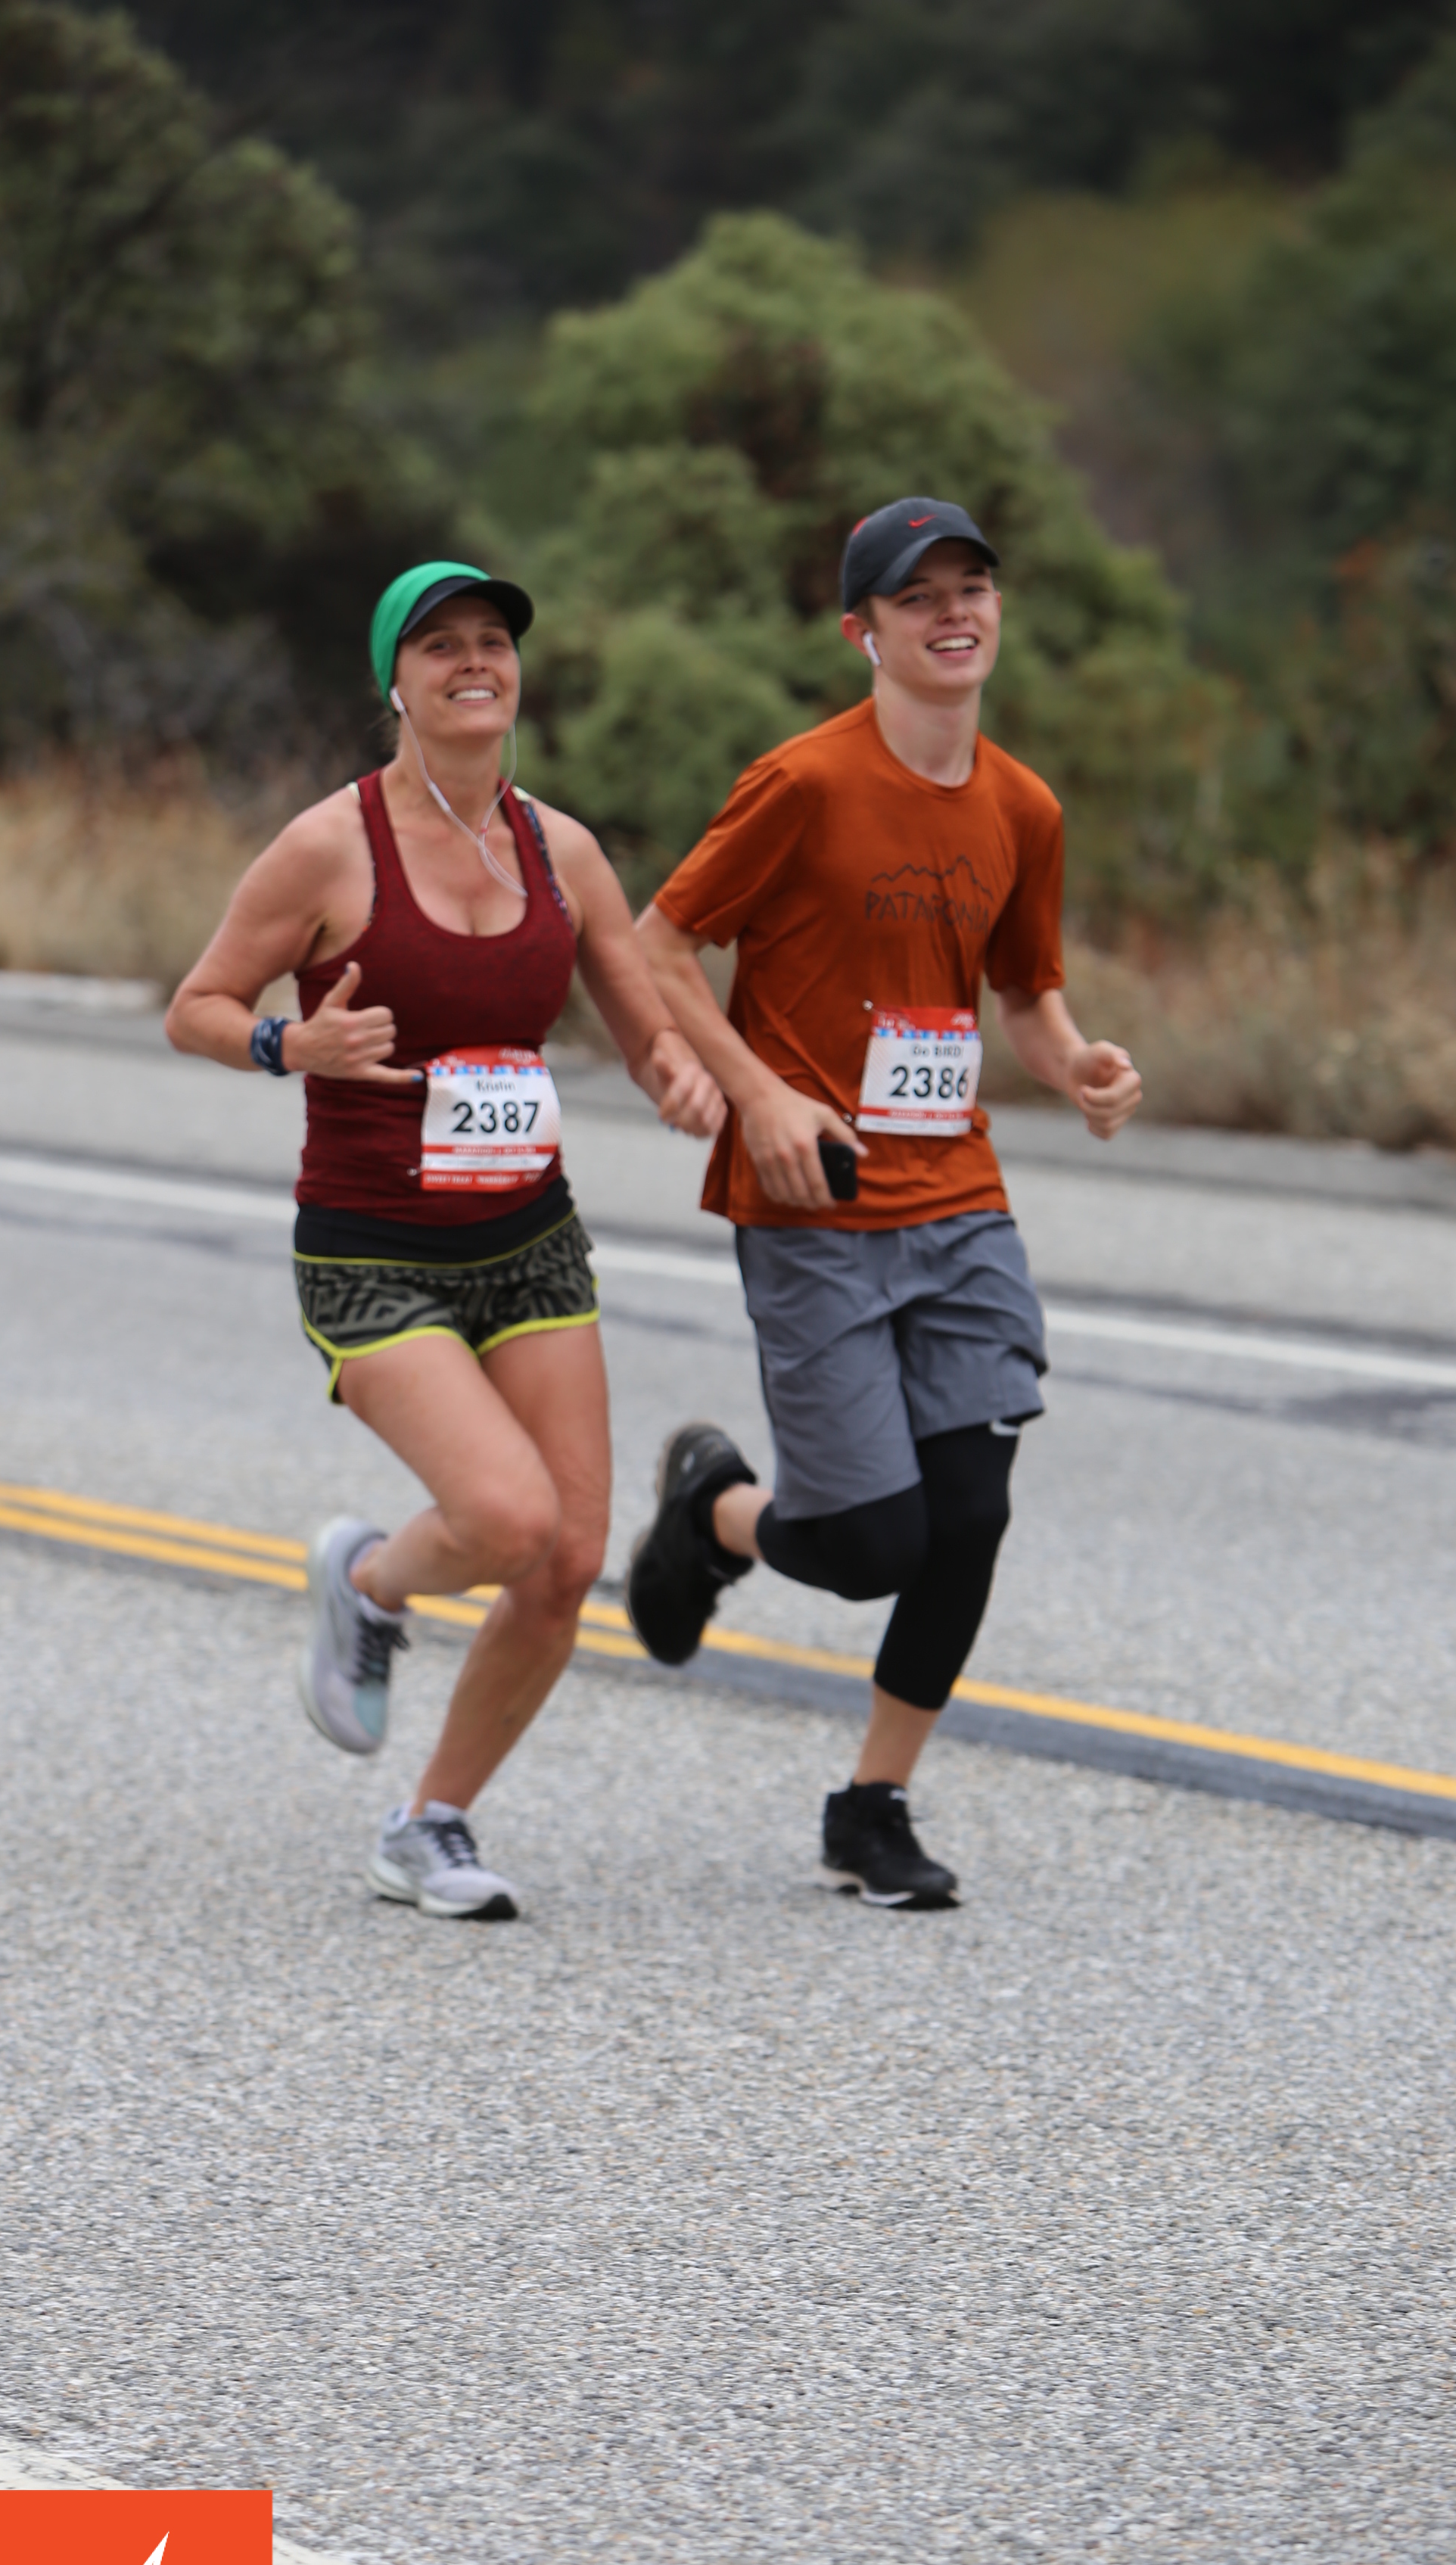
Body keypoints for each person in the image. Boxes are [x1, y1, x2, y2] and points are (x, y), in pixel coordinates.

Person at [166, 561, 723, 1920]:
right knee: (506, 1517)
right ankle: (368, 1581)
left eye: (493, 642)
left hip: (528, 1238)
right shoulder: (329, 846)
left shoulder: (561, 851)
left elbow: (640, 1013)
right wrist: (288, 1043)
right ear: (396, 684)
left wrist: (677, 1074)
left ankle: (430, 1823)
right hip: (373, 1249)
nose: (475, 662)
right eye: (441, 647)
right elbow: (197, 1004)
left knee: (568, 1558)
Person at [625, 497, 1143, 1910]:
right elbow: (661, 945)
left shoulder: (1023, 807)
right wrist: (759, 1096)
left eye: (973, 586)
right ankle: (713, 1514)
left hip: (959, 1197)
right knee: (869, 1548)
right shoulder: (801, 783)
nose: (954, 613)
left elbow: (1024, 994)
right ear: (864, 630)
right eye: (919, 597)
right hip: (814, 1198)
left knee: (970, 1511)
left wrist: (1078, 1063)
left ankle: (873, 1806)